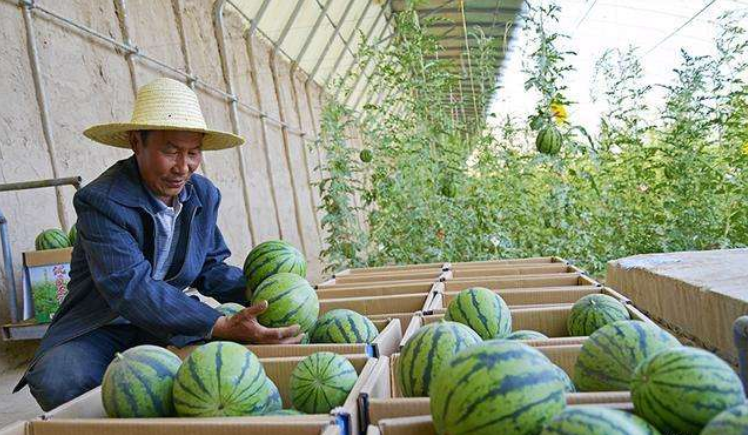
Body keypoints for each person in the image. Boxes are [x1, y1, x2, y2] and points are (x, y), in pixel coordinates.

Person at [12, 78, 303, 411]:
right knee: (59, 378)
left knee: (213, 376)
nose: (183, 167)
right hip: (100, 324)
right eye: (170, 150)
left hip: (166, 319)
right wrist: (216, 323)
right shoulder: (100, 202)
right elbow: (129, 287)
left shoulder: (203, 195)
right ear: (138, 143)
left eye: (193, 153)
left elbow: (209, 266)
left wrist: (267, 294)